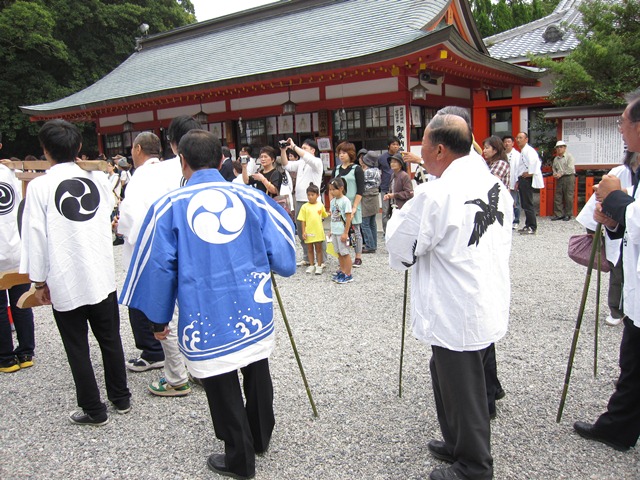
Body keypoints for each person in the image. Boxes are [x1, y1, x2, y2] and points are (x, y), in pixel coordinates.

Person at [119, 129, 296, 480]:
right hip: (251, 300)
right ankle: (260, 435)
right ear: (219, 160)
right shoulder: (252, 197)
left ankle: (240, 457)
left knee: (220, 376)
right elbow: (286, 258)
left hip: (205, 306)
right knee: (256, 363)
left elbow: (159, 268)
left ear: (182, 162)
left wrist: (157, 319)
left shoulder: (170, 207)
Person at [386, 112, 512, 480]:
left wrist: (400, 212)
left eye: (422, 144)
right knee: (446, 371)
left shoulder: (438, 194)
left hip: (455, 301)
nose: (418, 152)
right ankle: (456, 441)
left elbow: (401, 246)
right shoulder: (493, 186)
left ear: (439, 149)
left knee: (462, 384)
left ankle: (474, 465)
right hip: (482, 291)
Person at [20, 119, 131, 425]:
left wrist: (37, 281)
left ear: (44, 149)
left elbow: (36, 237)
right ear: (79, 147)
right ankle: (120, 397)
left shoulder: (40, 186)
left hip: (65, 276)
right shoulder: (95, 179)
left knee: (77, 344)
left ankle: (94, 409)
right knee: (110, 338)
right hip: (100, 274)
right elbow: (110, 204)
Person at [573, 93, 640, 452]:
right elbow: (631, 227)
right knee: (632, 361)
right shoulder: (629, 168)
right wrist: (611, 222)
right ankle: (618, 425)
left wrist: (615, 200)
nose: (620, 130)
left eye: (622, 123)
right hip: (635, 282)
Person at [117, 129, 193, 397]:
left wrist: (120, 228)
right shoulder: (172, 170)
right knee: (186, 309)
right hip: (182, 247)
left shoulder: (141, 177)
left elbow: (131, 219)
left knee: (164, 315)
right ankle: (196, 367)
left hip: (153, 251)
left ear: (137, 150)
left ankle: (176, 376)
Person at [577, 151, 639, 327]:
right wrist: (594, 231)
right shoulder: (618, 174)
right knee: (618, 271)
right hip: (620, 234)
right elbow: (595, 205)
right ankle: (616, 309)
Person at [0, 156, 35, 373]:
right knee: (20, 301)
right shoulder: (9, 173)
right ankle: (26, 352)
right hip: (16, 246)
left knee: (0, 308)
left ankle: (5, 356)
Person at [279, 138, 324, 266]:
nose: (302, 150)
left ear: (313, 150)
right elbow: (286, 165)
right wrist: (283, 150)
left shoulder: (317, 162)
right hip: (299, 200)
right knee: (301, 229)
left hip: (313, 202)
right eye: (302, 148)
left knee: (316, 230)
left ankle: (322, 259)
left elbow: (307, 157)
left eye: (305, 148)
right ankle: (307, 256)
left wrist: (293, 147)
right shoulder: (300, 163)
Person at [334, 141, 364, 267]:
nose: (341, 155)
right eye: (340, 153)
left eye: (344, 153)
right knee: (341, 229)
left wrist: (355, 207)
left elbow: (360, 190)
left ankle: (358, 256)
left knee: (355, 230)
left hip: (352, 202)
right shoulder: (337, 169)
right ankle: (344, 255)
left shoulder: (357, 169)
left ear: (350, 154)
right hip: (339, 203)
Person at [515, 132, 544, 235]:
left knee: (528, 203)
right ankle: (528, 225)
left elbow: (535, 161)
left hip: (526, 179)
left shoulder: (529, 150)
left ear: (526, 139)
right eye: (517, 138)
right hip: (522, 178)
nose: (518, 140)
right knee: (525, 203)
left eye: (521, 138)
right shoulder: (523, 151)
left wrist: (530, 173)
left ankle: (532, 226)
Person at [297, 183, 328, 275]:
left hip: (318, 231)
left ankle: (319, 265)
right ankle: (311, 264)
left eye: (312, 195)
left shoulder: (320, 205)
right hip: (309, 231)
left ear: (317, 195)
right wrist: (303, 232)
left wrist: (329, 214)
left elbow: (324, 214)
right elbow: (303, 220)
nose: (310, 197)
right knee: (309, 249)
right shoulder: (304, 207)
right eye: (308, 195)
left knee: (319, 249)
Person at [328, 177, 354, 284]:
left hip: (342, 231)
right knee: (338, 252)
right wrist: (330, 230)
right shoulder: (333, 201)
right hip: (335, 231)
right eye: (330, 190)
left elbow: (348, 217)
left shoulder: (345, 201)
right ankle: (342, 271)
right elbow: (333, 217)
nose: (332, 192)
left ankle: (348, 274)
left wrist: (345, 232)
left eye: (334, 189)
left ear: (341, 188)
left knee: (345, 253)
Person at [359, 150, 381, 253]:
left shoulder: (366, 172)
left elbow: (361, 183)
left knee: (365, 223)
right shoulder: (377, 170)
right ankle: (374, 244)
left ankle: (369, 245)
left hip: (367, 198)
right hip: (375, 197)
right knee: (372, 222)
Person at [379, 137, 399, 233]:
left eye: (397, 144)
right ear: (388, 146)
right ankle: (386, 232)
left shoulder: (400, 157)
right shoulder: (382, 158)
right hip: (385, 188)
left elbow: (405, 171)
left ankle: (396, 231)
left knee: (397, 211)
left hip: (398, 189)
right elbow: (378, 171)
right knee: (385, 211)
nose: (395, 146)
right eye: (393, 144)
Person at [551, 140, 576, 221]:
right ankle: (559, 214)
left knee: (568, 196)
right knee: (558, 196)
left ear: (565, 148)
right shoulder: (556, 159)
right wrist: (555, 173)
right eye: (557, 147)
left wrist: (560, 173)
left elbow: (570, 168)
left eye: (561, 147)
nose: (559, 149)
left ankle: (568, 214)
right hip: (559, 178)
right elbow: (554, 168)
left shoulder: (569, 156)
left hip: (569, 177)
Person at [503, 135, 522, 230]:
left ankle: (516, 220)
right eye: (505, 142)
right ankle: (507, 220)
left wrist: (517, 181)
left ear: (513, 143)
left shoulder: (517, 155)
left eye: (509, 142)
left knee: (515, 202)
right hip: (504, 182)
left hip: (513, 181)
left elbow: (519, 169)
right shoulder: (502, 155)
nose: (507, 143)